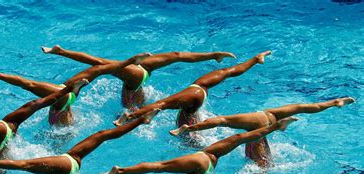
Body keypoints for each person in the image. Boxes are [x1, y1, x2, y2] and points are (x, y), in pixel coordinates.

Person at [101, 117, 297, 174]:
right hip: (204, 161)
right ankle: (122, 170)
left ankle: (122, 170)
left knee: (161, 168)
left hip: (204, 158)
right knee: (238, 139)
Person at [0, 110, 160, 174]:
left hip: (68, 166)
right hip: (68, 164)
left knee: (102, 136)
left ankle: (141, 121)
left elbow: (23, 165)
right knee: (102, 135)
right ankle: (141, 121)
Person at [113, 51, 272, 141]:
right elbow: (231, 71)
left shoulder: (139, 71)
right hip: (199, 93)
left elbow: (160, 104)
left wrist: (129, 116)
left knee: (188, 138)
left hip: (192, 99)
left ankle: (129, 116)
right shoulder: (201, 84)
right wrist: (254, 60)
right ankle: (256, 59)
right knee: (226, 73)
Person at [170, 97, 355, 167]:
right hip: (267, 117)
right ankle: (335, 102)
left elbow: (220, 121)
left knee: (259, 166)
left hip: (258, 126)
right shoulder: (270, 114)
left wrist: (188, 127)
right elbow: (303, 106)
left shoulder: (248, 123)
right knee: (300, 107)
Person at [0, 53, 151, 126]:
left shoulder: (60, 105)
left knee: (98, 68)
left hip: (65, 98)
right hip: (67, 98)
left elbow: (27, 84)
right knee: (98, 68)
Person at [41, 45, 236, 110]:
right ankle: (61, 53)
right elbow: (180, 56)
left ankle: (61, 54)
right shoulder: (140, 75)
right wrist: (212, 55)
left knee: (101, 65)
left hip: (137, 80)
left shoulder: (136, 77)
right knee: (102, 65)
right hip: (139, 79)